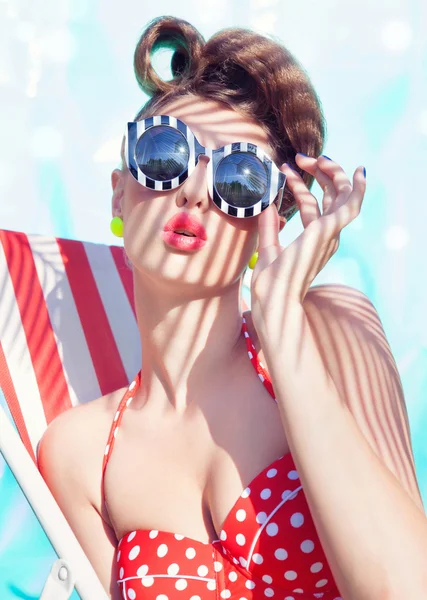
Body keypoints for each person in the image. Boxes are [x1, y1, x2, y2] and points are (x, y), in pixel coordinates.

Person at [37, 15, 427, 600]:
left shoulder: (331, 328)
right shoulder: (79, 454)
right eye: (166, 153)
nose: (193, 191)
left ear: (267, 222)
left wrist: (282, 329)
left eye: (239, 179)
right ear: (119, 191)